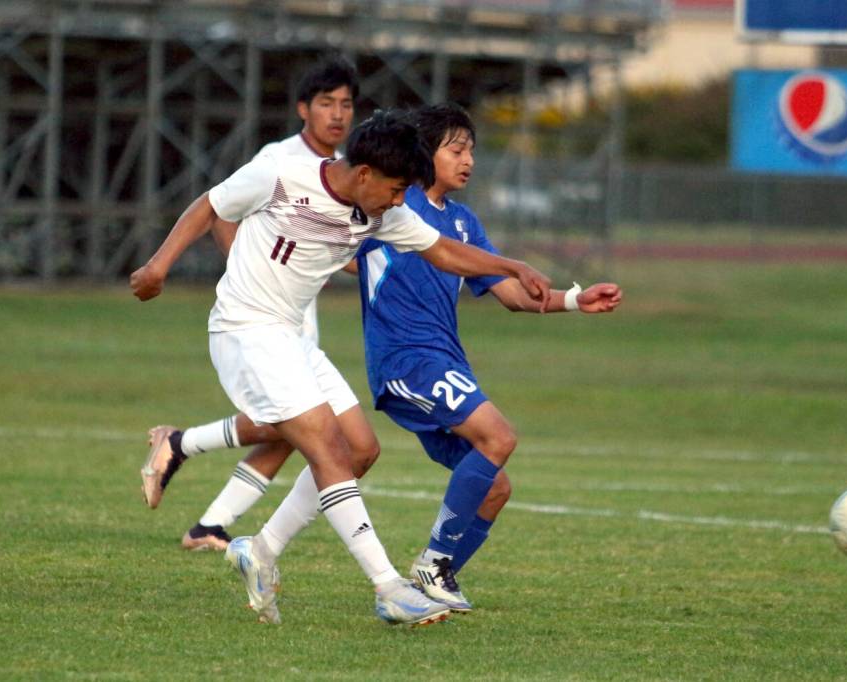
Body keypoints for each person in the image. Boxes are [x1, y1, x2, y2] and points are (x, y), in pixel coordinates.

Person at [129, 109, 552, 626]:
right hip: (244, 329)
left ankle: (259, 551)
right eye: (396, 190)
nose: (400, 203)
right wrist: (158, 266)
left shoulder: (383, 211)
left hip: (291, 335)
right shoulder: (283, 174)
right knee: (326, 445)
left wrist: (512, 265)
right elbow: (209, 206)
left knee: (359, 449)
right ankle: (390, 587)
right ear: (365, 173)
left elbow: (443, 252)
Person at [241, 103, 622, 615]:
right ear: (424, 153)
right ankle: (430, 566)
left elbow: (511, 294)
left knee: (494, 487)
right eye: (456, 149)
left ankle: (426, 583)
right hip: (406, 362)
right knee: (500, 437)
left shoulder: (464, 223)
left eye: (472, 152)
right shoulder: (392, 205)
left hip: (448, 364)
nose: (468, 161)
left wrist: (575, 300)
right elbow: (340, 236)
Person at [139, 55, 365, 553]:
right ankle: (181, 446)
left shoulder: (350, 170)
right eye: (327, 103)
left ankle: (209, 525)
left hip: (298, 315)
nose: (338, 114)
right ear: (303, 108)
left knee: (295, 430)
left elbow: (338, 243)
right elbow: (221, 210)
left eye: (346, 104)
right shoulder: (279, 157)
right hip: (265, 314)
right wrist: (251, 268)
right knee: (298, 425)